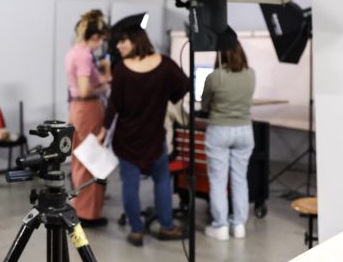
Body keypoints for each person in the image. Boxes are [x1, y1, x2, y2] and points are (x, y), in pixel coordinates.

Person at [99, 26, 188, 246]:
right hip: (154, 136)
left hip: (127, 138)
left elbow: (114, 105)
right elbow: (184, 85)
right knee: (162, 180)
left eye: (123, 41)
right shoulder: (165, 64)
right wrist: (165, 96)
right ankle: (167, 226)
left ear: (137, 41)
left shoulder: (120, 69)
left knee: (130, 184)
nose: (119, 46)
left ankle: (136, 230)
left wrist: (103, 129)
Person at [201, 38, 256, 240]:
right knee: (240, 179)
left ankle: (221, 226)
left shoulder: (215, 77)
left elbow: (204, 105)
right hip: (244, 130)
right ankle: (239, 225)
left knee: (218, 181)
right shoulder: (251, 74)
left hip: (219, 130)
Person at [66, 10, 110, 226]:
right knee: (91, 160)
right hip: (87, 108)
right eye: (102, 39)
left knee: (79, 158)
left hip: (76, 109)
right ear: (96, 36)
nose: (102, 43)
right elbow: (84, 90)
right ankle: (88, 213)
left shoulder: (74, 51)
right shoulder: (85, 55)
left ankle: (81, 207)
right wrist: (102, 87)